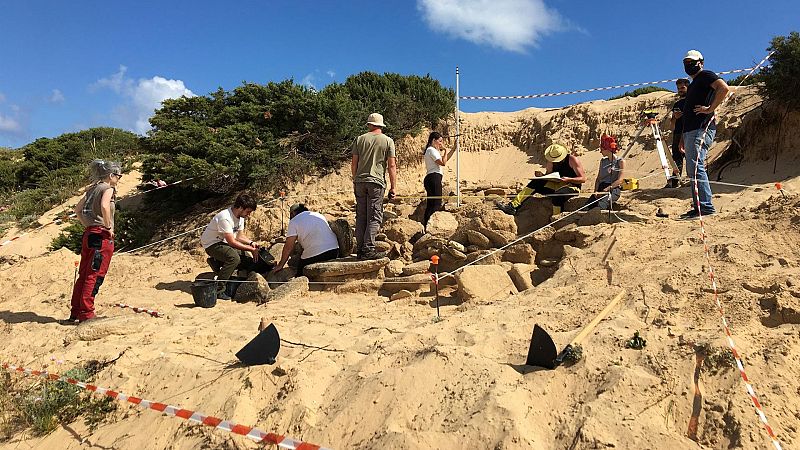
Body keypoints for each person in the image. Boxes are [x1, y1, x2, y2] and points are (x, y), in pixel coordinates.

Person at [64, 160, 122, 324]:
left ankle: (75, 312)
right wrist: (108, 226)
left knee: (84, 274)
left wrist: (88, 225)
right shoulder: (108, 189)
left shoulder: (91, 189)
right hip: (101, 235)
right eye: (118, 176)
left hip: (89, 233)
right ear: (111, 175)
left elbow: (78, 210)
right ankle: (87, 313)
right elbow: (104, 206)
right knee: (95, 274)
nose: (119, 179)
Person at [680, 50, 730, 219]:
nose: (688, 65)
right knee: (691, 169)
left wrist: (710, 109)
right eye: (686, 62)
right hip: (690, 131)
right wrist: (682, 138)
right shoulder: (693, 84)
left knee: (695, 167)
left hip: (701, 128)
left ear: (701, 62)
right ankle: (699, 206)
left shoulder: (706, 75)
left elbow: (723, 88)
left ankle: (706, 207)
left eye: (691, 62)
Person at [351, 112, 397, 259]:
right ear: (381, 125)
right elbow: (391, 166)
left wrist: (355, 178)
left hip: (360, 181)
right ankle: (368, 249)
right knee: (374, 217)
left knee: (361, 216)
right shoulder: (388, 141)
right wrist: (393, 187)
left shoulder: (359, 139)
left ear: (370, 125)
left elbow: (354, 163)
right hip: (376, 182)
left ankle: (360, 250)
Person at [498, 143, 586, 217]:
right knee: (536, 182)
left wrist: (568, 179)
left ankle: (556, 218)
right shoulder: (551, 161)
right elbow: (550, 175)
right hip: (556, 185)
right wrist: (542, 176)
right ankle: (513, 206)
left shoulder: (573, 160)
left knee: (558, 196)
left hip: (571, 187)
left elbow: (582, 178)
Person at [200, 193, 260, 300]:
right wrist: (251, 249)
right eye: (248, 211)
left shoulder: (240, 217)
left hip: (223, 242)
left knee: (245, 257)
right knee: (234, 258)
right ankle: (219, 289)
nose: (249, 214)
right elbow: (232, 242)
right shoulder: (225, 218)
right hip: (211, 243)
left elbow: (239, 236)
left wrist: (251, 243)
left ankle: (219, 263)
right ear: (240, 208)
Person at [272, 204, 340, 276]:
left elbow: (288, 247)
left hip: (318, 254)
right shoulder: (318, 215)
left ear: (293, 213)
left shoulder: (294, 221)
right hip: (334, 250)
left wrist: (280, 265)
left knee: (300, 274)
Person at [422, 131, 451, 227]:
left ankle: (426, 224)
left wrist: (451, 150)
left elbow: (444, 160)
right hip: (434, 177)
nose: (441, 144)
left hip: (432, 177)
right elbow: (442, 162)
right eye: (440, 141)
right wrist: (445, 150)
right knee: (436, 203)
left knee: (431, 203)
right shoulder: (431, 150)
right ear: (434, 140)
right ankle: (432, 225)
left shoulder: (430, 151)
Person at [589, 134, 625, 209]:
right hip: (601, 187)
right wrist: (595, 191)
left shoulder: (620, 161)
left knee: (601, 205)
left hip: (613, 189)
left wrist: (608, 189)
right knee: (588, 206)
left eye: (602, 149)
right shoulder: (603, 161)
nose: (600, 152)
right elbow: (598, 179)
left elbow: (620, 180)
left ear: (607, 149)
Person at [666, 78, 690, 188]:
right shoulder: (677, 103)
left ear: (688, 87)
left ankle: (693, 179)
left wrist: (684, 115)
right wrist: (675, 118)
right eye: (678, 88)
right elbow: (672, 122)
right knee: (676, 157)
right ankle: (675, 181)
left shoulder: (691, 100)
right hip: (677, 132)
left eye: (682, 88)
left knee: (690, 156)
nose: (680, 90)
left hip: (689, 131)